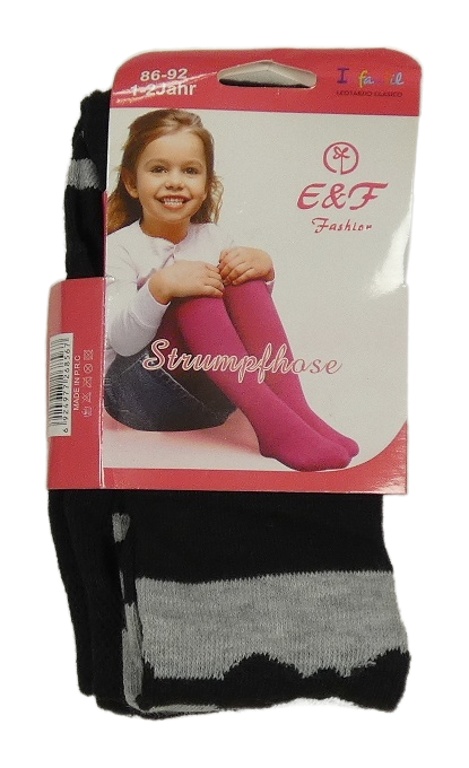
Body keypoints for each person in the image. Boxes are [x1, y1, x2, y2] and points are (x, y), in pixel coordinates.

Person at [104, 108, 358, 471]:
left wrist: (263, 271)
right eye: (158, 169)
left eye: (190, 171)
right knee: (195, 290)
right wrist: (160, 287)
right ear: (131, 183)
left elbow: (239, 327)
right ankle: (278, 427)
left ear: (207, 184)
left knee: (239, 275)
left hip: (215, 398)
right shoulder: (120, 247)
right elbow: (122, 343)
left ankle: (295, 411)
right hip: (139, 398)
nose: (175, 182)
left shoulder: (214, 237)